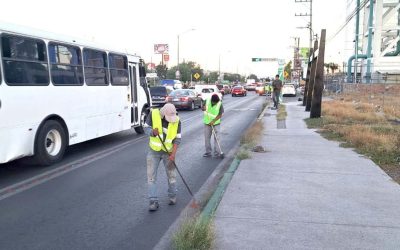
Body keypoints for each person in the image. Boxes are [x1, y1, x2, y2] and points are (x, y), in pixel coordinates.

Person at [144, 103, 182, 211]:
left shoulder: (177, 120)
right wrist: (152, 132)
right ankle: (153, 201)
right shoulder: (153, 114)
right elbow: (146, 129)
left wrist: (173, 155)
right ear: (163, 114)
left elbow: (177, 139)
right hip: (154, 151)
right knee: (151, 176)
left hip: (168, 152)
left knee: (171, 175)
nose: (171, 120)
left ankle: (173, 196)